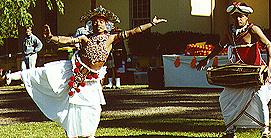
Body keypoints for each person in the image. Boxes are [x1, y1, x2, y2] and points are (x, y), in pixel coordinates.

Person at [2, 6, 167, 137]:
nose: (97, 24)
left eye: (101, 21)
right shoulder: (85, 37)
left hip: (91, 81)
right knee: (44, 74)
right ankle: (12, 76)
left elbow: (133, 31)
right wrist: (51, 37)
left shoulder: (111, 38)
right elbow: (67, 40)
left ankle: (89, 134)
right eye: (95, 21)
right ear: (91, 24)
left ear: (106, 24)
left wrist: (151, 24)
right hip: (75, 72)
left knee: (93, 108)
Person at [196, 2, 271, 138]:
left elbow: (269, 45)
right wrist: (207, 58)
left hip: (255, 73)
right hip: (238, 74)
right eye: (235, 17)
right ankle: (230, 130)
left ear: (247, 17)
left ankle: (265, 131)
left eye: (241, 16)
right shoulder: (229, 32)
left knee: (259, 99)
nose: (238, 19)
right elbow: (220, 46)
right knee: (224, 98)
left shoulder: (253, 29)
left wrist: (268, 67)